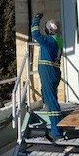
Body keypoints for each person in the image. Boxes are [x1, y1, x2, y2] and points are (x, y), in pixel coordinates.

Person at [31, 12, 64, 140]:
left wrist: (36, 20)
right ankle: (55, 124)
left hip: (48, 72)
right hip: (53, 72)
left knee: (52, 102)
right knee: (49, 98)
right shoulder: (58, 40)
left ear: (49, 30)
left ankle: (56, 132)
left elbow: (35, 34)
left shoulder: (49, 41)